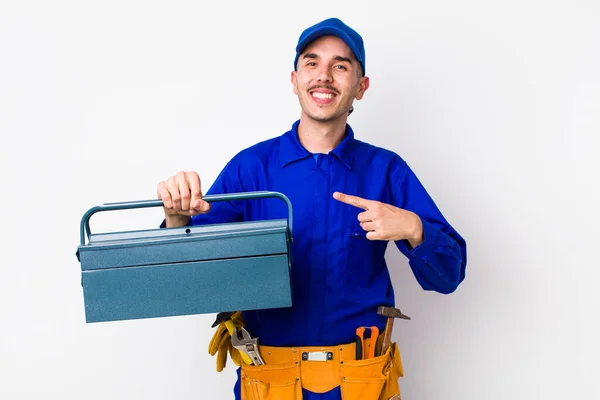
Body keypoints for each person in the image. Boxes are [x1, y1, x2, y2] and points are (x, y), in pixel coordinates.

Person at [157, 17, 467, 400]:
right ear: (294, 79)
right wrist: (176, 220)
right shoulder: (250, 168)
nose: (324, 76)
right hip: (270, 381)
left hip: (361, 382)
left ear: (361, 86)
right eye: (312, 63)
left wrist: (416, 229)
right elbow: (185, 279)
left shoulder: (386, 171)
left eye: (340, 65)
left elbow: (449, 276)